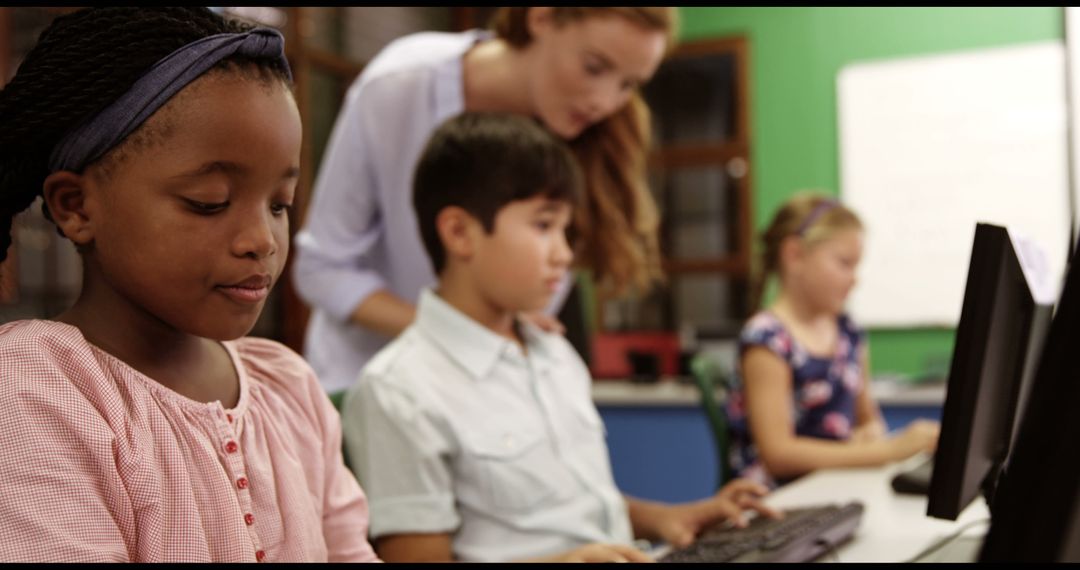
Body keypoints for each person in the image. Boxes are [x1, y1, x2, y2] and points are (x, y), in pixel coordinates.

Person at [0, 7, 378, 562]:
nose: (262, 240)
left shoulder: (290, 391)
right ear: (77, 206)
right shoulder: (37, 396)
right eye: (210, 203)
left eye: (280, 205)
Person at [341, 112, 779, 563]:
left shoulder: (553, 353)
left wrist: (667, 518)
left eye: (566, 231)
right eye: (544, 225)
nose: (564, 254)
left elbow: (572, 511)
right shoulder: (399, 391)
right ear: (459, 233)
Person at [293, 7, 675, 400]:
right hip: (363, 387)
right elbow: (321, 268)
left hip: (485, 398)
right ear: (541, 17)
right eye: (594, 68)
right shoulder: (399, 85)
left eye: (629, 84)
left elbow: (528, 308)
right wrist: (457, 333)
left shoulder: (583, 139)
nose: (604, 101)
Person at [725, 191, 941, 489]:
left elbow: (867, 418)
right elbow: (778, 454)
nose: (855, 279)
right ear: (794, 255)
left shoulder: (848, 331)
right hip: (775, 505)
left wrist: (871, 433)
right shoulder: (766, 340)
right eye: (844, 263)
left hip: (835, 490)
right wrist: (887, 451)